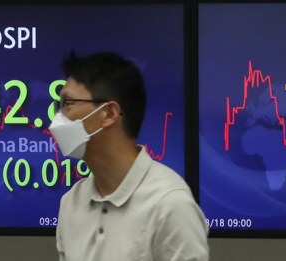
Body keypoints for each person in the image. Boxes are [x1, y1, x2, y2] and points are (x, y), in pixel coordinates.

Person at [49, 51, 209, 261]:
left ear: (109, 113)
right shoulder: (72, 203)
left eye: (67, 104)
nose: (59, 116)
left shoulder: (170, 204)